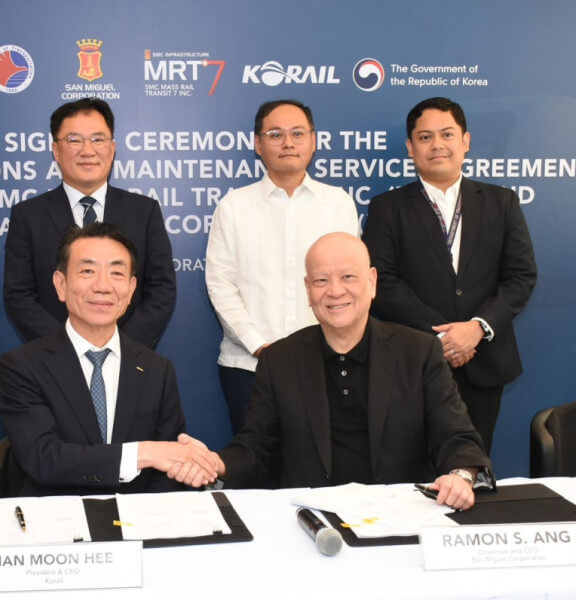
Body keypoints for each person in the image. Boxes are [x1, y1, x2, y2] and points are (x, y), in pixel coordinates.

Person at [175, 233, 492, 510]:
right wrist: (217, 464)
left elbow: (456, 436)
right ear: (307, 289)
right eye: (321, 280)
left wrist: (461, 476)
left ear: (372, 282)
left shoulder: (419, 352)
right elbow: (256, 447)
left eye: (348, 278)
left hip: (399, 515)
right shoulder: (280, 359)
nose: (335, 291)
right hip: (309, 519)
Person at [362, 97, 537, 454]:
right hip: (413, 360)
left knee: (472, 461)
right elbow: (384, 281)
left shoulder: (501, 202)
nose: (437, 145)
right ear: (411, 147)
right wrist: (442, 338)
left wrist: (476, 328)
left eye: (446, 134)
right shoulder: (387, 208)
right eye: (425, 137)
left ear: (465, 141)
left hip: (484, 357)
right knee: (410, 464)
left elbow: (521, 276)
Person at [0, 223, 217, 496]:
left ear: (131, 289)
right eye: (88, 271)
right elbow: (43, 459)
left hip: (138, 519)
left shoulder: (157, 370)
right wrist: (143, 452)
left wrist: (194, 467)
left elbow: (167, 467)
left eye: (116, 273)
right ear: (61, 284)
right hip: (59, 517)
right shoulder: (23, 365)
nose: (102, 286)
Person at [205, 99, 359, 434]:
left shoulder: (338, 204)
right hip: (248, 366)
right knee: (257, 471)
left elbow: (350, 284)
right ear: (257, 144)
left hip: (325, 363)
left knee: (322, 472)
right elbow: (220, 284)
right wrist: (259, 346)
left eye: (297, 133)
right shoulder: (234, 207)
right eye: (275, 134)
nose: (287, 142)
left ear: (313, 141)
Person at [4, 98, 176, 349]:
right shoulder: (28, 215)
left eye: (97, 139)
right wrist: (69, 347)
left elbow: (161, 289)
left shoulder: (144, 210)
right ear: (55, 149)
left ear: (112, 147)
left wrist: (119, 347)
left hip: (128, 359)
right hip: (54, 362)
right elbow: (19, 296)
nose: (87, 150)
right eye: (74, 140)